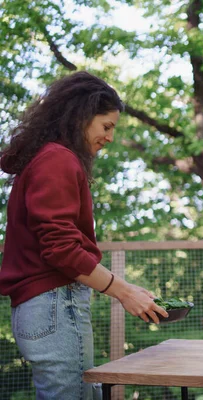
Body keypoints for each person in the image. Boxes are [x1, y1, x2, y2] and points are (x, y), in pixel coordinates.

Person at [0, 71, 169, 400]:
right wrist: (123, 292)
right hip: (54, 306)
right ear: (81, 115)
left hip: (42, 307)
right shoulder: (57, 159)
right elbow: (61, 249)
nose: (110, 137)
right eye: (107, 126)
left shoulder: (43, 158)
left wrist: (127, 288)